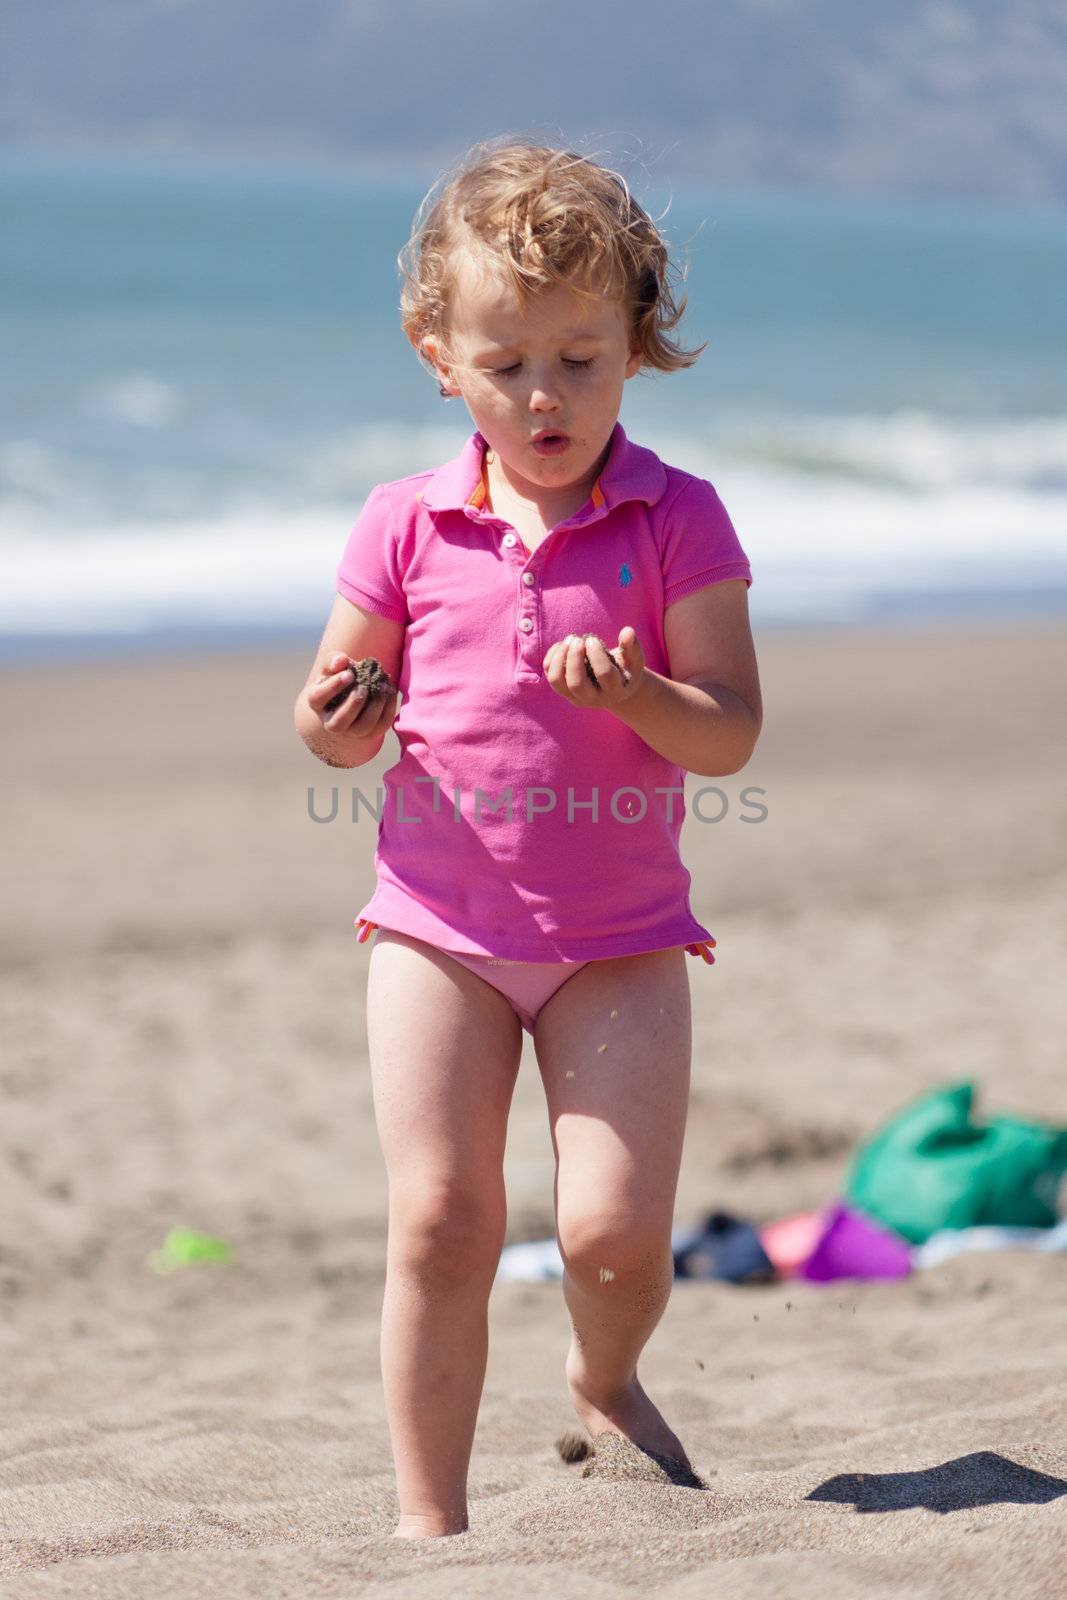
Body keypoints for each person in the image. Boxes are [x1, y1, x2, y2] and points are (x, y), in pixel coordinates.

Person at [293, 136, 762, 1539]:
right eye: (508, 366)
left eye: (581, 357)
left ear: (638, 346)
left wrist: (640, 695)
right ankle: (429, 1522)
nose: (545, 395)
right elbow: (330, 723)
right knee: (440, 1221)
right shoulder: (404, 522)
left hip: (618, 943)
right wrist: (342, 714)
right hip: (437, 932)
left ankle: (605, 1375)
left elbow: (730, 730)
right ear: (440, 355)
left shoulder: (678, 519)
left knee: (615, 1240)